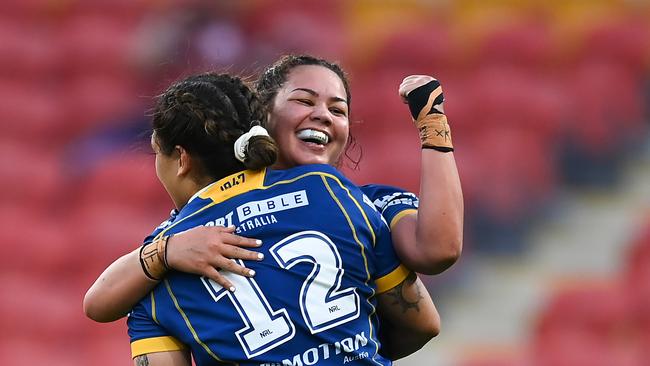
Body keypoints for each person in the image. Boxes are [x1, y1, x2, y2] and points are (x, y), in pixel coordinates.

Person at [120, 71, 438, 365]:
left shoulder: (154, 274)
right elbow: (422, 324)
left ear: (181, 159)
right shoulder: (332, 193)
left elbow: (97, 304)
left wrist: (159, 254)